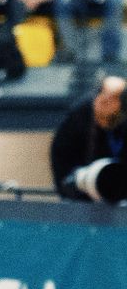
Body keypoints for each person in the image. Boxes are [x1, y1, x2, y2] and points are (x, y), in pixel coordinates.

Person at [50, 74, 127, 202]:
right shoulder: (78, 119)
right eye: (102, 93)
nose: (104, 101)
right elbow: (61, 159)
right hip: (82, 195)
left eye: (113, 98)